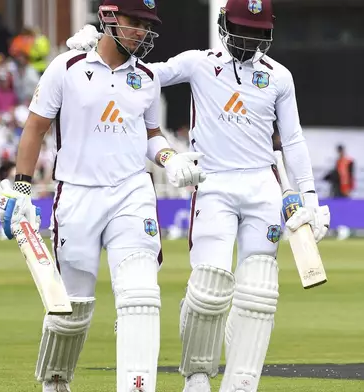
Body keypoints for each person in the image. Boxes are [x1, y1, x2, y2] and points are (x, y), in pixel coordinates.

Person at [67, 1, 330, 391]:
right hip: (214, 184)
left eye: (258, 32)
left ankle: (241, 383)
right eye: (242, 29)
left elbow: (292, 140)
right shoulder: (198, 63)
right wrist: (95, 50)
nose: (249, 40)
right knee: (210, 287)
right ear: (224, 25)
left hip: (262, 187)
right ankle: (197, 376)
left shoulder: (279, 77)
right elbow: (141, 76)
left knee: (259, 292)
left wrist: (308, 198)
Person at [0, 1, 205, 391]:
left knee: (141, 295)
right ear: (108, 17)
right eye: (134, 21)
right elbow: (35, 128)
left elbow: (149, 134)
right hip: (77, 194)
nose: (142, 31)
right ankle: (56, 382)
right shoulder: (67, 67)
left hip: (132, 193)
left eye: (147, 24)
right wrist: (22, 187)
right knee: (72, 308)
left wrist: (169, 159)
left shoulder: (146, 77)